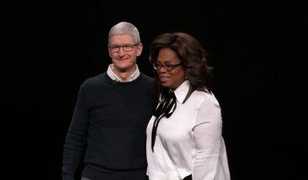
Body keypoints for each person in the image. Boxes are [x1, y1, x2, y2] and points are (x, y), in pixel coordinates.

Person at [62, 21, 155, 180]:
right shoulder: (90, 88)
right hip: (95, 175)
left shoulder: (154, 89)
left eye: (127, 46)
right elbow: (75, 138)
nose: (121, 53)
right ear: (109, 50)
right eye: (115, 47)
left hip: (140, 176)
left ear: (139, 49)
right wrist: (67, 176)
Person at [146, 32, 231, 180]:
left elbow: (206, 162)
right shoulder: (167, 97)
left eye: (169, 65)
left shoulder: (204, 103)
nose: (161, 70)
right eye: (158, 65)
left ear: (187, 65)